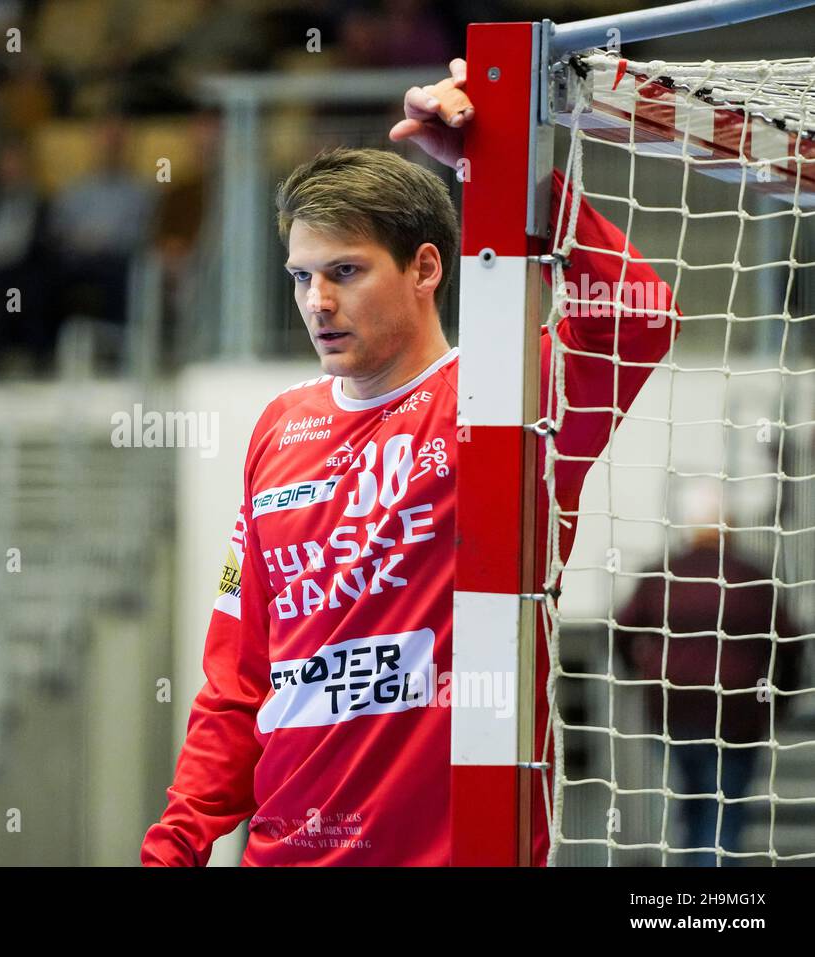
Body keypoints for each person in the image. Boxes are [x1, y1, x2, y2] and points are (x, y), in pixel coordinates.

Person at [141, 58, 682, 866]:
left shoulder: (502, 397)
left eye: (344, 272)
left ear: (425, 269)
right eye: (301, 277)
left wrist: (500, 168)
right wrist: (176, 843)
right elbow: (238, 679)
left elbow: (637, 318)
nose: (315, 302)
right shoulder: (278, 428)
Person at [617, 485, 805, 865]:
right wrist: (774, 701)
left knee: (687, 811)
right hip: (736, 717)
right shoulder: (752, 578)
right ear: (730, 526)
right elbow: (791, 644)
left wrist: (640, 674)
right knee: (724, 816)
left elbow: (621, 629)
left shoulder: (663, 575)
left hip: (674, 710)